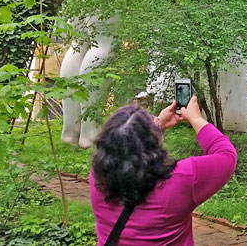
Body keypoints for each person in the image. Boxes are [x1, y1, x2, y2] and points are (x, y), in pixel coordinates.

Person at [90, 96, 237, 245]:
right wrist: (196, 119)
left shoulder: (98, 174)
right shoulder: (182, 178)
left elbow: (127, 146)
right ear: (152, 141)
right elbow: (226, 155)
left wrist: (156, 125)